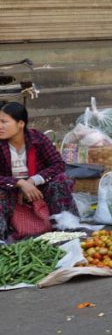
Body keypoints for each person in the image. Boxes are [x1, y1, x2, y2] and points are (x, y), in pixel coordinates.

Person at [0, 102, 77, 240]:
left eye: (4, 122)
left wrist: (33, 181)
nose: (0, 126)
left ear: (20, 124)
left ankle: (66, 228)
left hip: (38, 189)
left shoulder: (37, 139)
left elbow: (58, 164)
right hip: (9, 189)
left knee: (60, 180)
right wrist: (20, 183)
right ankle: (2, 236)